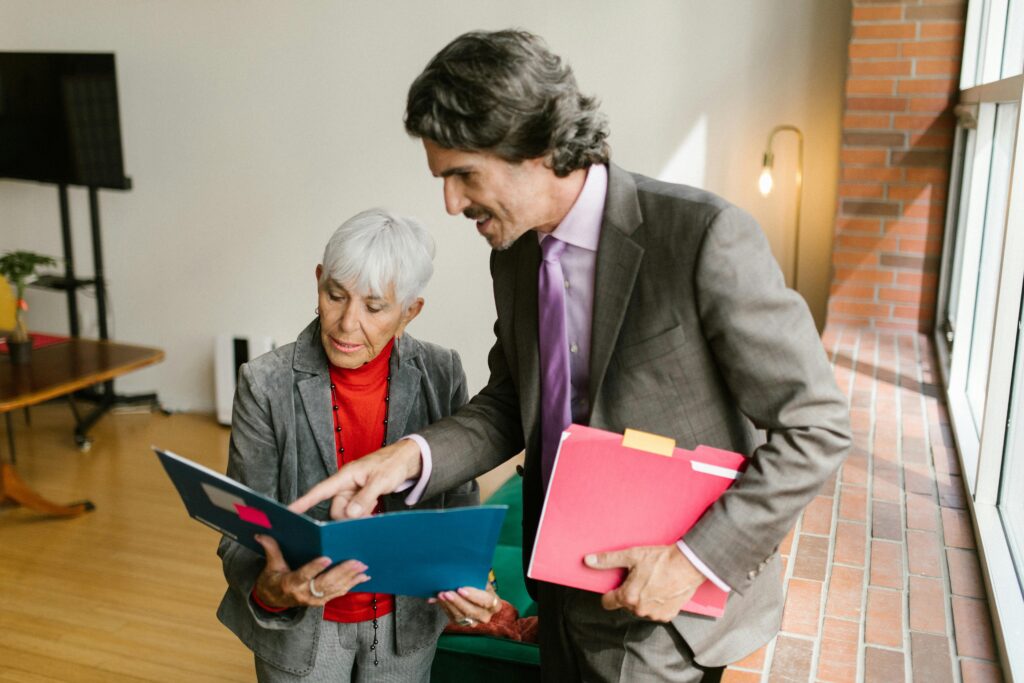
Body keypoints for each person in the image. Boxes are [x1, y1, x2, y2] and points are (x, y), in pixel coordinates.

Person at [291, 30, 852, 682]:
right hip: (556, 589)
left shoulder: (701, 238)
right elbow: (511, 401)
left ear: (538, 148)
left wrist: (690, 561)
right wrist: (407, 458)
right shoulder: (514, 254)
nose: (450, 203)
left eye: (464, 175)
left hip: (663, 608)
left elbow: (818, 425)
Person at [216, 208, 500, 682]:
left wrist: (471, 579)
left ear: (410, 311)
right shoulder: (264, 383)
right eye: (335, 296)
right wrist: (275, 589)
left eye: (374, 307)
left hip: (404, 627)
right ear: (318, 281)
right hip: (302, 630)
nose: (347, 324)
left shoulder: (442, 371)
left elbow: (459, 505)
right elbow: (241, 528)